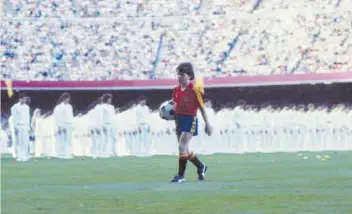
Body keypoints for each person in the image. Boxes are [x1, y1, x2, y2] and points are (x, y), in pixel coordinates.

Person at [170, 62, 213, 183]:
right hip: (179, 119)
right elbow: (174, 105)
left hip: (190, 119)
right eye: (178, 74)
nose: (179, 77)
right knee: (185, 149)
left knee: (181, 146)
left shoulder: (195, 90)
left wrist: (207, 124)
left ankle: (180, 175)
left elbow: (201, 107)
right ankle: (201, 166)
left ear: (189, 75)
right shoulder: (175, 90)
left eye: (182, 74)